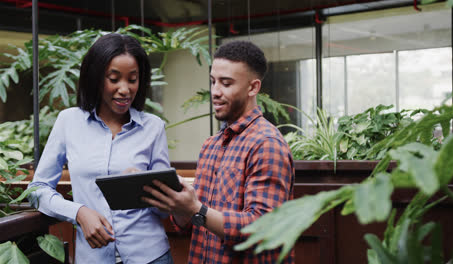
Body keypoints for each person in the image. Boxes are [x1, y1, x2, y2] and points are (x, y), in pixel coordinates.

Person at [142, 40, 295, 263]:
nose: (215, 92)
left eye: (226, 83)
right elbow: (190, 222)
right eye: (213, 82)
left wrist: (196, 208)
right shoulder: (210, 146)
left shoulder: (267, 144)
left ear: (253, 88)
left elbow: (263, 229)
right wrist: (177, 201)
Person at [28, 33, 174, 264]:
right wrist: (79, 212)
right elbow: (37, 190)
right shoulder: (69, 122)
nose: (125, 89)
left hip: (150, 255)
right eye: (114, 79)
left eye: (132, 79)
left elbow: (165, 209)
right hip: (92, 257)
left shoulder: (153, 128)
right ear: (96, 77)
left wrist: (148, 186)